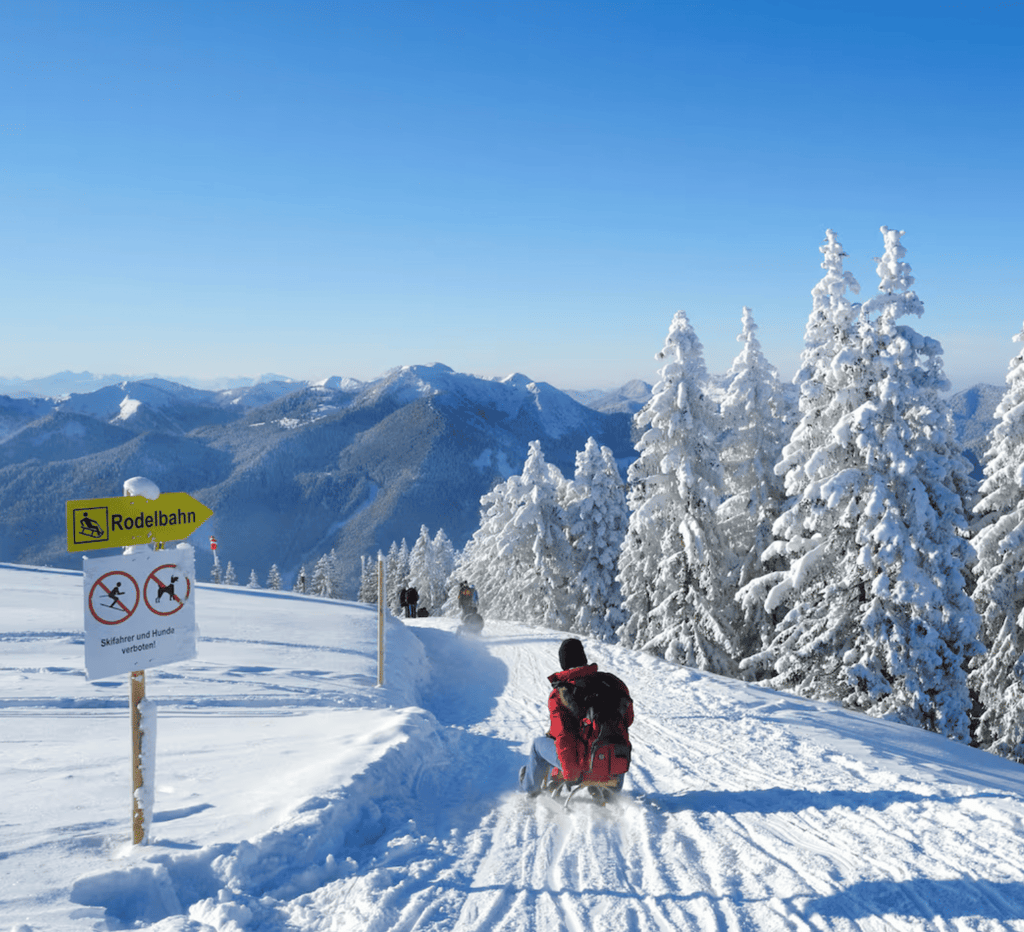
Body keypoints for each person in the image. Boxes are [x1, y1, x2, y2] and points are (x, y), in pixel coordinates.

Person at [518, 637, 633, 797]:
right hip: (612, 762)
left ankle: (530, 788)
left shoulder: (561, 693)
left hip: (582, 764)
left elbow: (563, 734)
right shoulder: (613, 683)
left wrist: (571, 773)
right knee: (615, 735)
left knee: (538, 745)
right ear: (584, 658)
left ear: (563, 663)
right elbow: (628, 720)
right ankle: (610, 789)